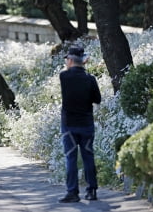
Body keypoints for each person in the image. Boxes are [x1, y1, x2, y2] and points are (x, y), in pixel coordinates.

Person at [58, 46, 101, 203]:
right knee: (88, 156)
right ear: (83, 60)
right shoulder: (89, 79)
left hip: (69, 125)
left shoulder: (64, 77)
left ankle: (72, 192)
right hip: (86, 124)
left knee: (71, 158)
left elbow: (69, 72)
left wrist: (78, 65)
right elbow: (97, 99)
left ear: (69, 60)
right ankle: (92, 191)